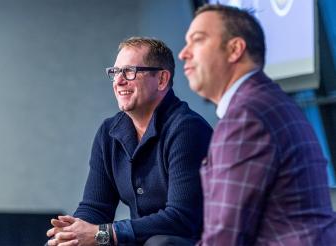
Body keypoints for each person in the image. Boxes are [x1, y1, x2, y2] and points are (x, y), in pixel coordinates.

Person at [179, 4, 336, 246]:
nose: (183, 53)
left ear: (234, 50)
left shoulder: (246, 116)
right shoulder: (264, 101)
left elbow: (224, 238)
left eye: (197, 40)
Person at [46, 37, 212, 246]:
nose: (119, 81)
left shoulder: (188, 129)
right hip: (138, 241)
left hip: (187, 241)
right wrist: (73, 233)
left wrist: (102, 234)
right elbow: (96, 207)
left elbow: (181, 219)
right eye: (115, 73)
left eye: (130, 71)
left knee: (160, 244)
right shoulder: (109, 132)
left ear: (161, 79)